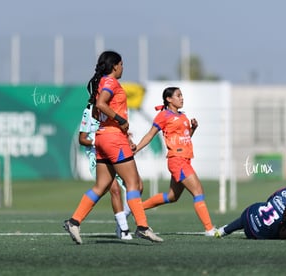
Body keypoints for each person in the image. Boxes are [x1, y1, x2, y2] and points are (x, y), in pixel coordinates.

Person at [64, 50, 163, 244]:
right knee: (134, 183)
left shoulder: (100, 83)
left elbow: (96, 111)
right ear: (115, 66)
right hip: (113, 140)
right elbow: (101, 104)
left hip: (102, 137)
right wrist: (120, 120)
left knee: (101, 186)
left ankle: (74, 221)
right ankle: (142, 226)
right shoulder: (110, 83)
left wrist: (123, 131)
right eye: (122, 64)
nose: (123, 67)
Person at [134, 87, 217, 236]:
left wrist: (194, 128)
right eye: (178, 96)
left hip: (185, 159)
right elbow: (150, 135)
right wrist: (136, 149)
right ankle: (209, 229)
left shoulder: (183, 117)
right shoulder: (163, 116)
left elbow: (185, 138)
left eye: (182, 95)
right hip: (177, 160)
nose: (182, 98)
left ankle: (136, 208)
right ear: (169, 99)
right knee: (198, 191)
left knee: (172, 197)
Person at [78, 101, 132, 240]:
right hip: (98, 156)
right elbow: (82, 139)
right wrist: (97, 142)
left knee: (136, 187)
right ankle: (124, 229)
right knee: (114, 189)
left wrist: (129, 142)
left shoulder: (112, 110)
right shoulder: (89, 111)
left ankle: (121, 222)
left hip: (115, 151)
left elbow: (121, 131)